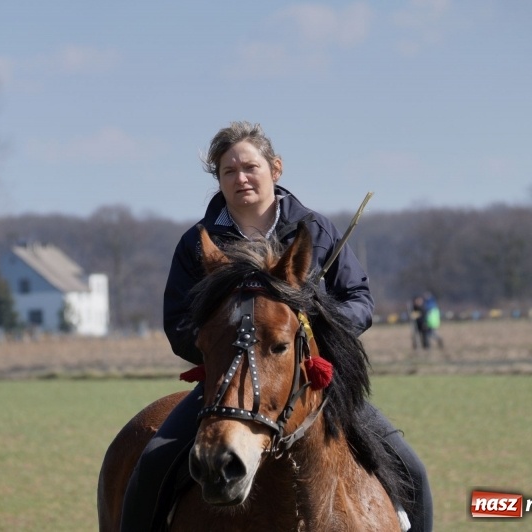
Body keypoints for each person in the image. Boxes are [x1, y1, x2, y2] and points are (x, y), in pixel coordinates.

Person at [120, 121, 433, 531]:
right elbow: (177, 322)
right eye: (228, 171)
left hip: (312, 385)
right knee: (153, 460)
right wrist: (227, 348)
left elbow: (359, 300)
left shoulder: (317, 231)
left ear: (276, 169)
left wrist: (305, 336)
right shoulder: (197, 245)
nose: (241, 178)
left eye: (250, 167)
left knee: (413, 470)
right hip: (226, 387)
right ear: (218, 180)